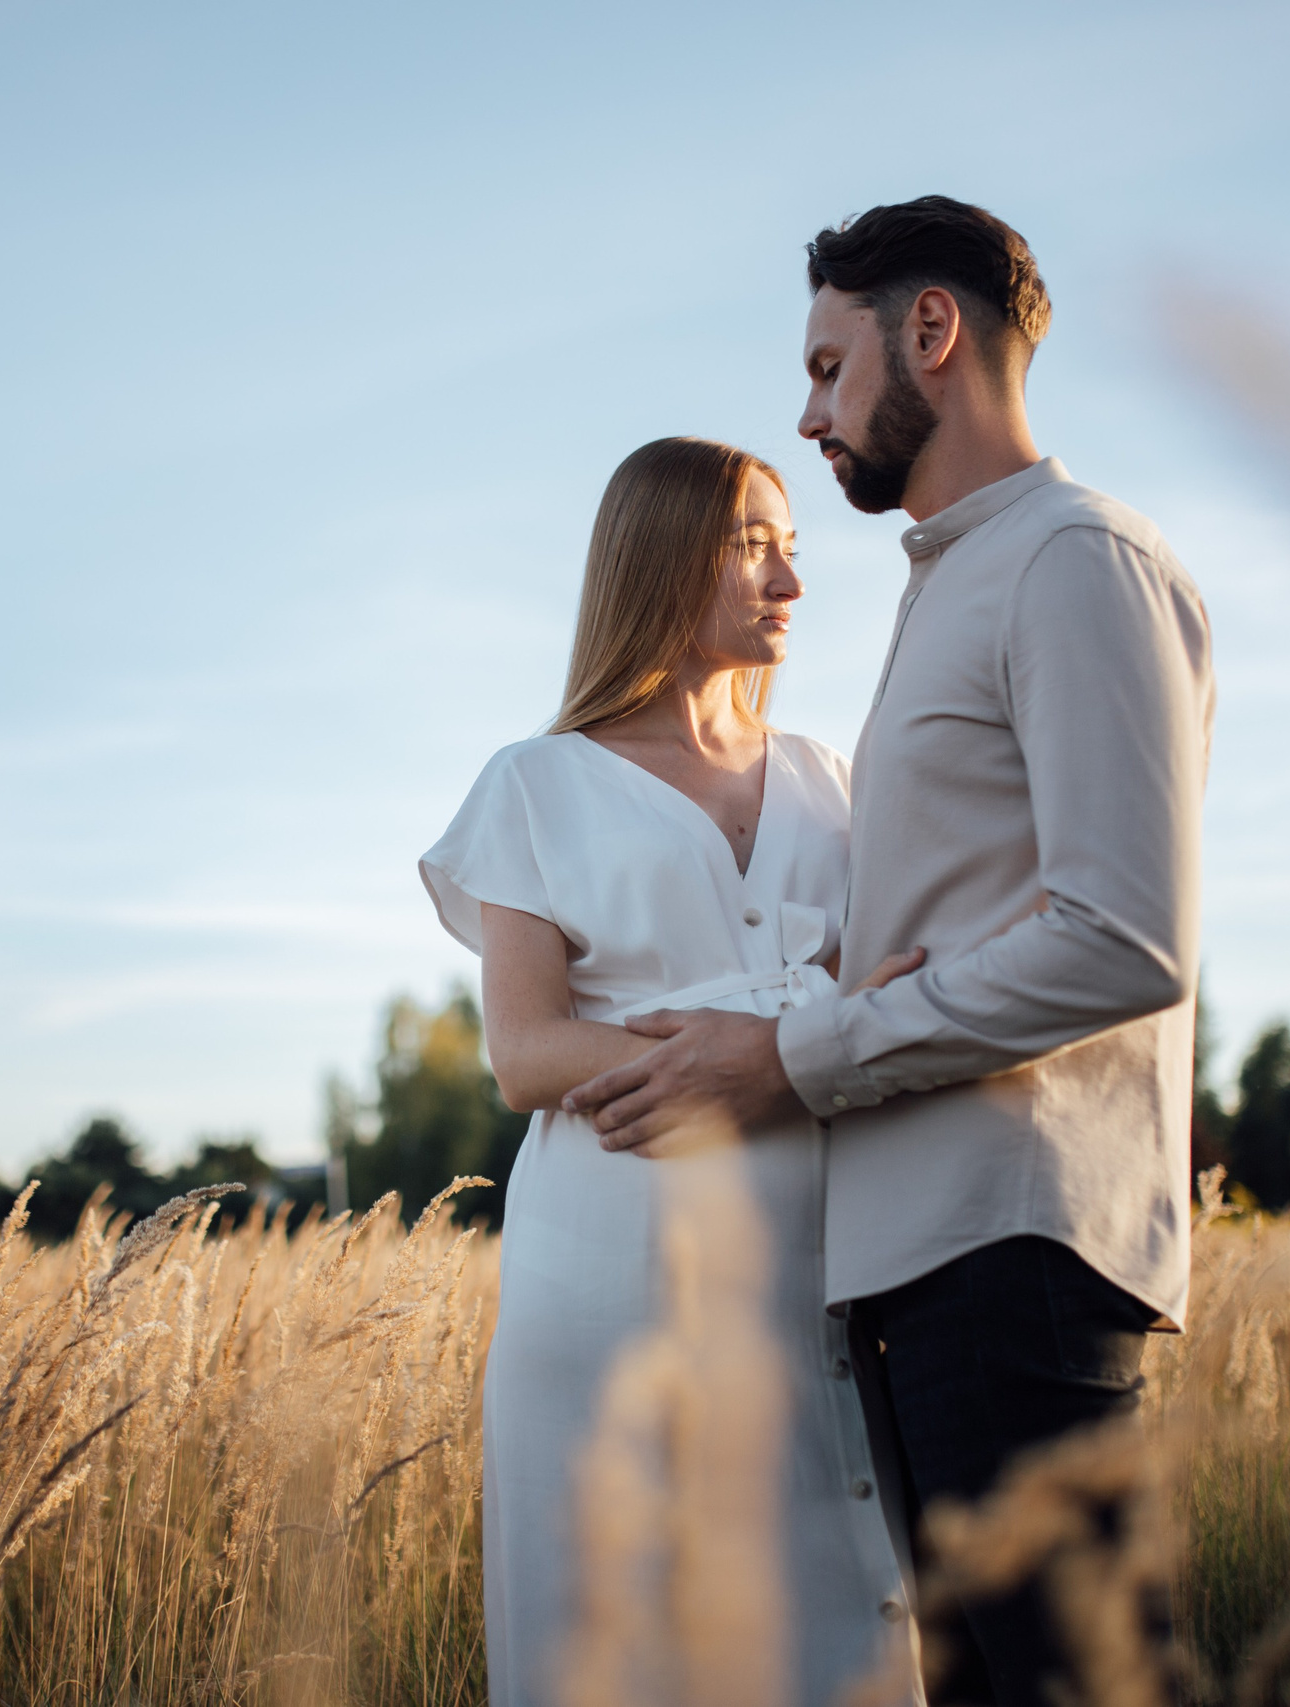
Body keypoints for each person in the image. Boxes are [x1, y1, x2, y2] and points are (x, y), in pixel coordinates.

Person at [565, 197, 1216, 1706]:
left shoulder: (1075, 560)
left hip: (1016, 1242)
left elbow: (1123, 936)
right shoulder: (958, 584)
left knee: (1089, 1681)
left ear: (930, 331)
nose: (810, 413)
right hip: (921, 1254)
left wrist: (789, 1056)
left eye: (827, 365)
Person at [420, 436, 926, 1707]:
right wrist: (777, 1040)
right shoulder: (537, 785)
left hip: (818, 1259)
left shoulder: (832, 781)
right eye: (753, 544)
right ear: (660, 558)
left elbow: (901, 989)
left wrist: (787, 1045)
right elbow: (526, 1050)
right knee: (621, 1623)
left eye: (792, 548)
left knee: (826, 1605)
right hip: (606, 1264)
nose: (788, 583)